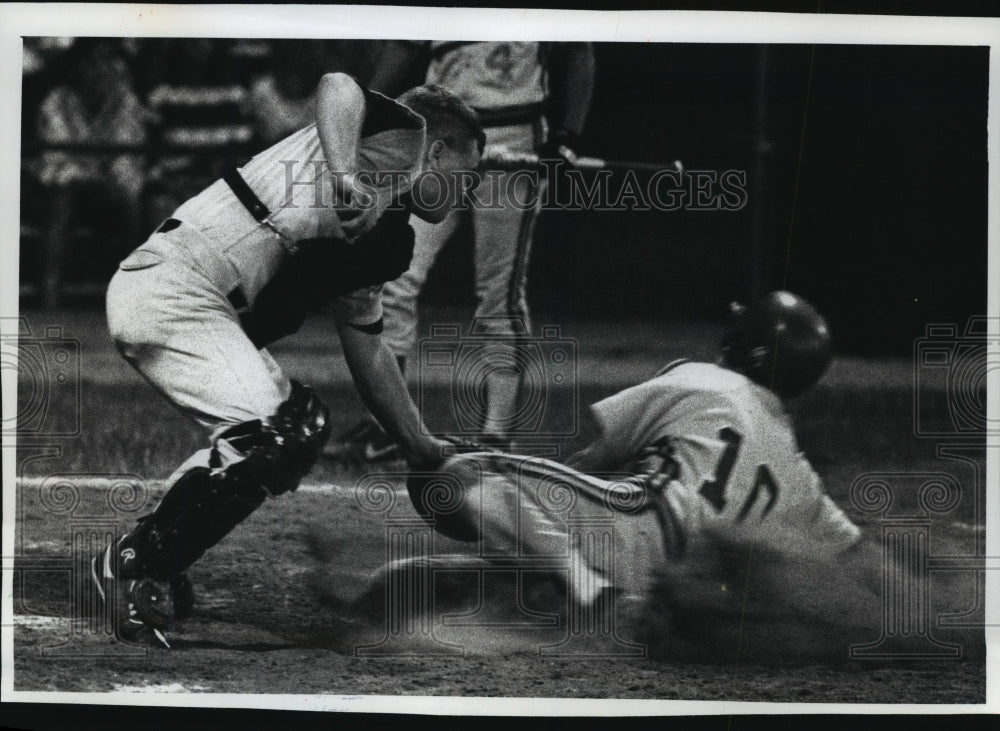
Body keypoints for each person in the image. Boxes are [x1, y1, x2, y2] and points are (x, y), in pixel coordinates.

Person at [92, 74, 486, 646]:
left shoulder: (384, 239)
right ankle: (132, 564)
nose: (467, 193)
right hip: (172, 287)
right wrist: (346, 173)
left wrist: (422, 447)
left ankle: (160, 551)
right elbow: (338, 85)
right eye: (465, 175)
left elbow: (369, 348)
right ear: (438, 152)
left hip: (205, 313)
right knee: (277, 433)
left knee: (294, 428)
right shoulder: (402, 135)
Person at [406, 292, 884, 635]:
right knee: (536, 538)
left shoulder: (706, 379)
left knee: (453, 473)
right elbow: (854, 555)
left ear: (744, 344)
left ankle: (588, 590)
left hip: (632, 528)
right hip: (680, 591)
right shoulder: (799, 474)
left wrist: (532, 522)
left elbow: (590, 458)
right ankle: (566, 586)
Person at [328, 41, 595, 460]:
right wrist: (365, 107)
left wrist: (566, 134)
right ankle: (386, 427)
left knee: (499, 290)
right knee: (394, 277)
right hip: (437, 135)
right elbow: (406, 46)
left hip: (516, 130)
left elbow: (578, 49)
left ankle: (496, 435)